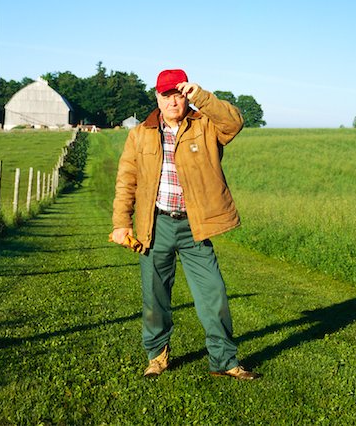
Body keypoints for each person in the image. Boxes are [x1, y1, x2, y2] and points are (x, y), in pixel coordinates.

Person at [111, 69, 260, 380]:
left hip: (196, 226)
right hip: (156, 225)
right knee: (155, 297)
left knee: (213, 294)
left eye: (178, 93)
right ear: (157, 97)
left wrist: (201, 96)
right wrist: (121, 223)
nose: (173, 100)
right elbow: (126, 181)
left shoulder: (205, 126)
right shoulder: (140, 133)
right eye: (166, 95)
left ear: (186, 94)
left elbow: (235, 122)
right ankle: (157, 356)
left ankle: (224, 360)